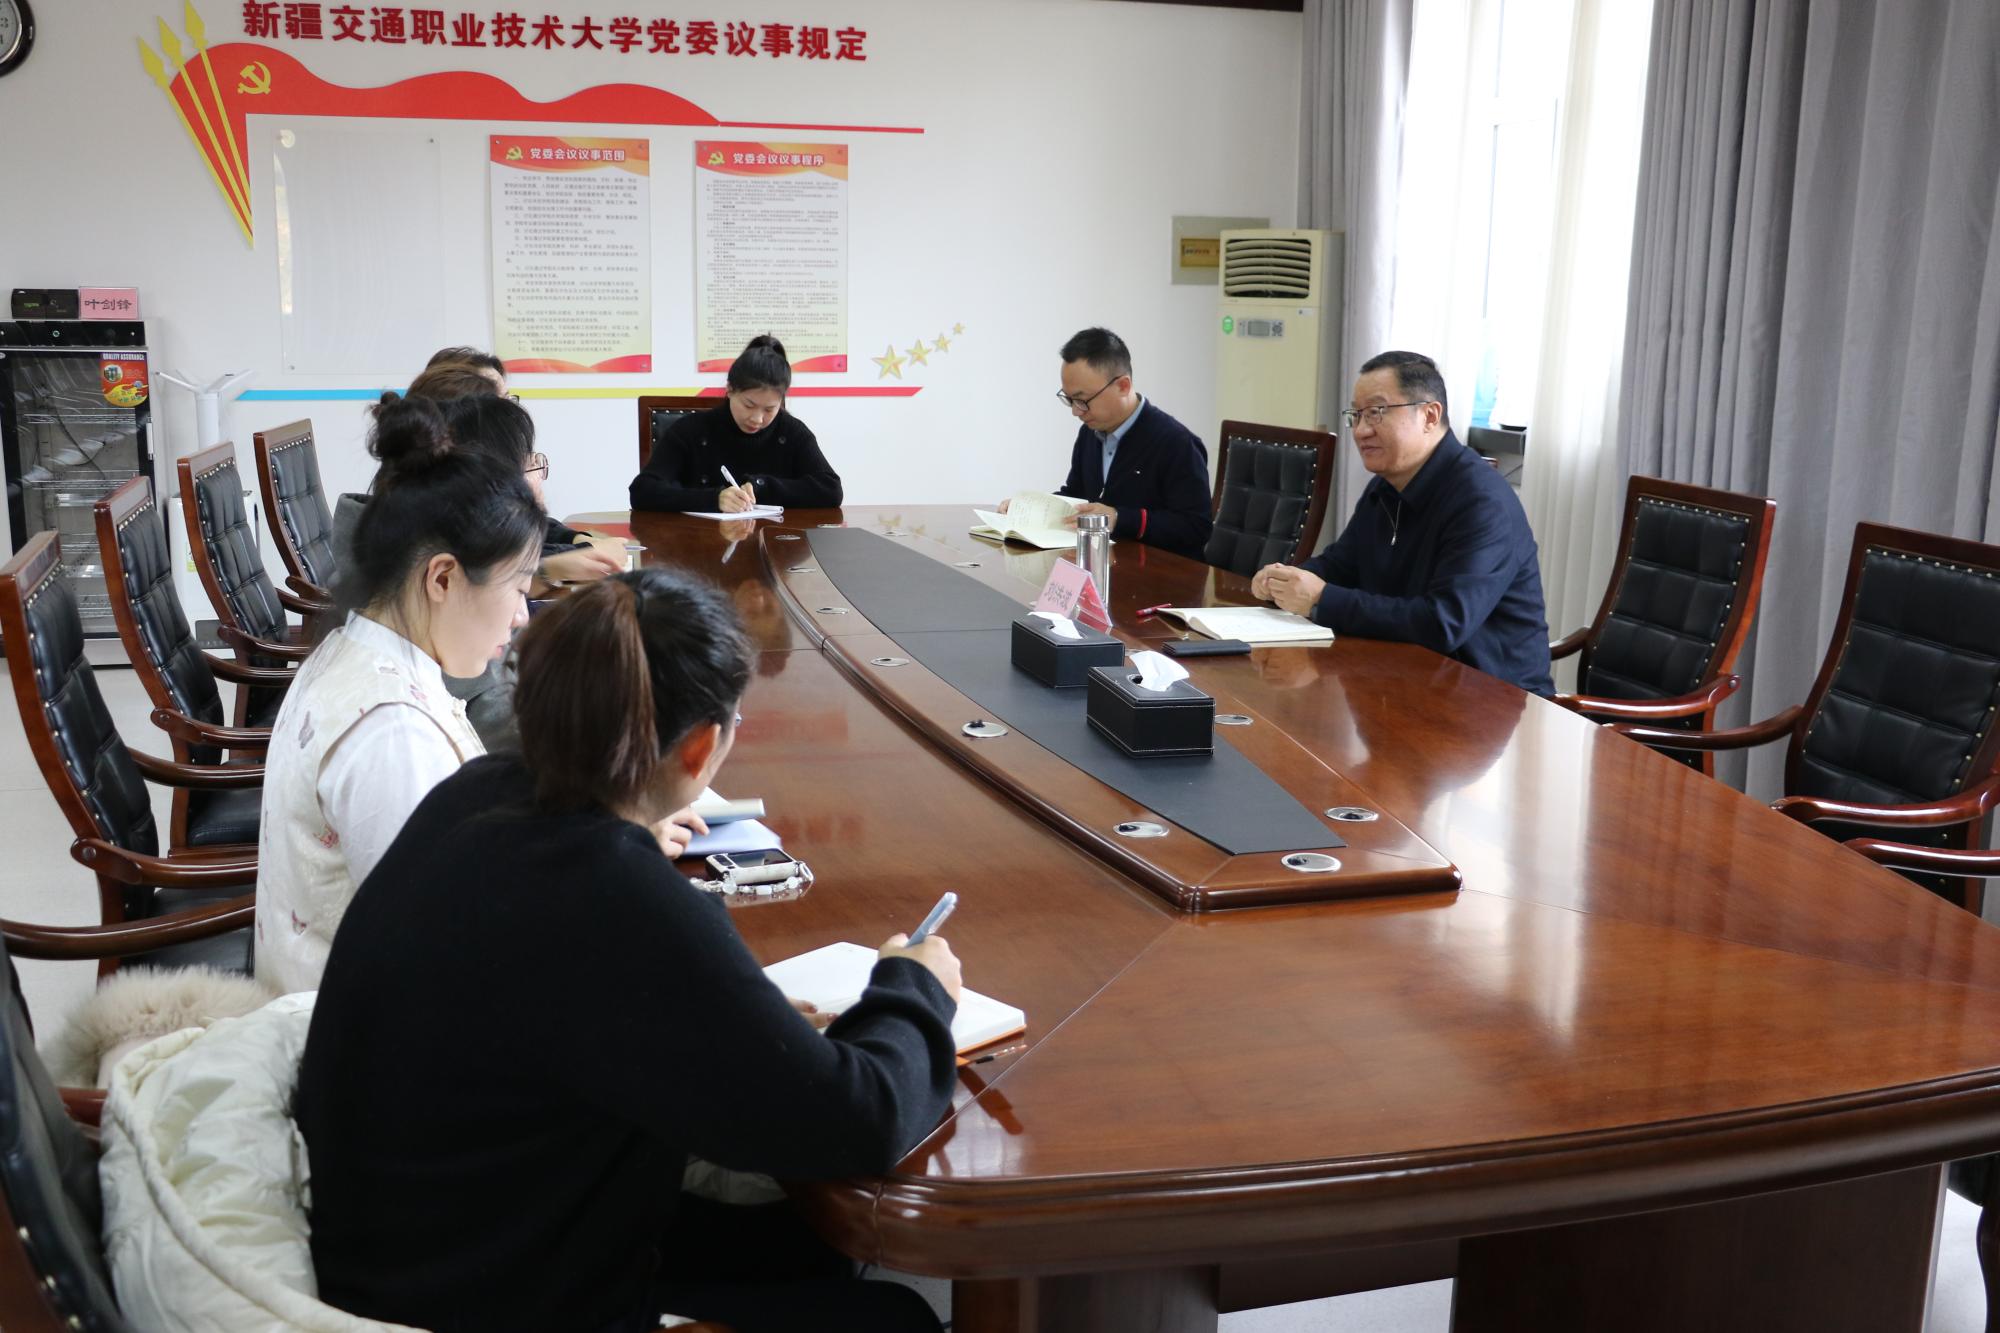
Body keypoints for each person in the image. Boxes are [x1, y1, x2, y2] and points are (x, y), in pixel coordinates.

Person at [296, 568, 958, 1333]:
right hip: (481, 1300)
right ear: (702, 746)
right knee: (896, 1318)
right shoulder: (613, 892)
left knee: (801, 1242)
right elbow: (862, 1121)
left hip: (409, 1243)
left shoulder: (479, 791)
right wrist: (914, 986)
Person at [254, 393, 548, 995]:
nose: (522, 615)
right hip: (351, 1028)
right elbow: (452, 949)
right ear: (442, 577)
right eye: (518, 587)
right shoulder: (393, 733)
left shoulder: (355, 646)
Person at [1250, 350, 1554, 696]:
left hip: (1492, 700)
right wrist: (1286, 580)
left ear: (1429, 415)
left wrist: (1321, 598)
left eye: (1377, 412)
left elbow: (1443, 622)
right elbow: (1341, 565)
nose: (1361, 430)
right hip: (1402, 678)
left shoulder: (1481, 501)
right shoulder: (1386, 486)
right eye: (1357, 415)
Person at [1004, 327, 1213, 560]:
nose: (1076, 411)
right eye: (1070, 400)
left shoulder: (1176, 443)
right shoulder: (1090, 433)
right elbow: (1077, 495)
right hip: (1105, 564)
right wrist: (1029, 510)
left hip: (1160, 573)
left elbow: (1196, 527)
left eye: (1082, 400)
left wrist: (1119, 518)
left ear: (1123, 386)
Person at [630, 334, 843, 513]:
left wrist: (761, 486)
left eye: (769, 409)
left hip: (774, 541)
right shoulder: (691, 430)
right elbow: (642, 491)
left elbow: (831, 490)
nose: (757, 419)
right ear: (730, 389)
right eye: (749, 405)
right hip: (699, 542)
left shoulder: (792, 432)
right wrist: (713, 499)